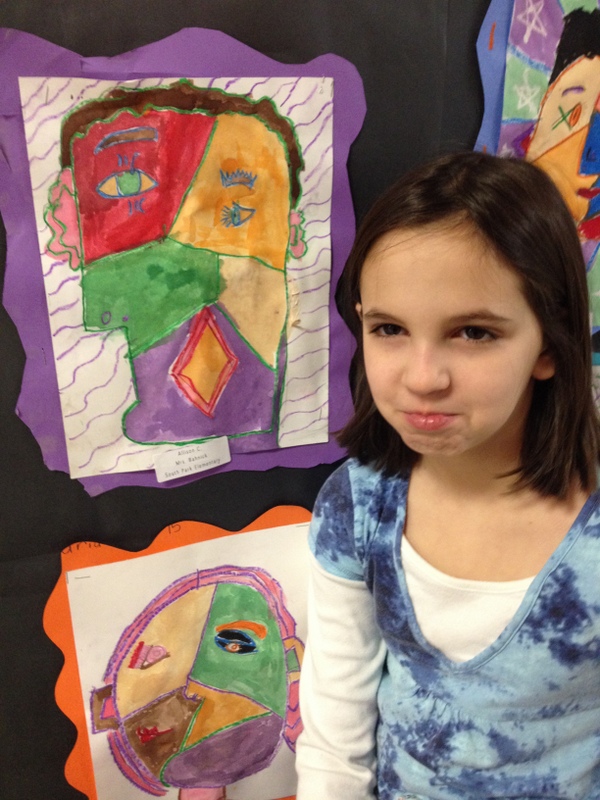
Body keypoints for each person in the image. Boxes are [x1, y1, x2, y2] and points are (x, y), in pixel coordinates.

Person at [295, 151, 600, 800]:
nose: (423, 377)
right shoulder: (358, 506)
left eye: (473, 333)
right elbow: (334, 744)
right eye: (389, 329)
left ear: (549, 343)